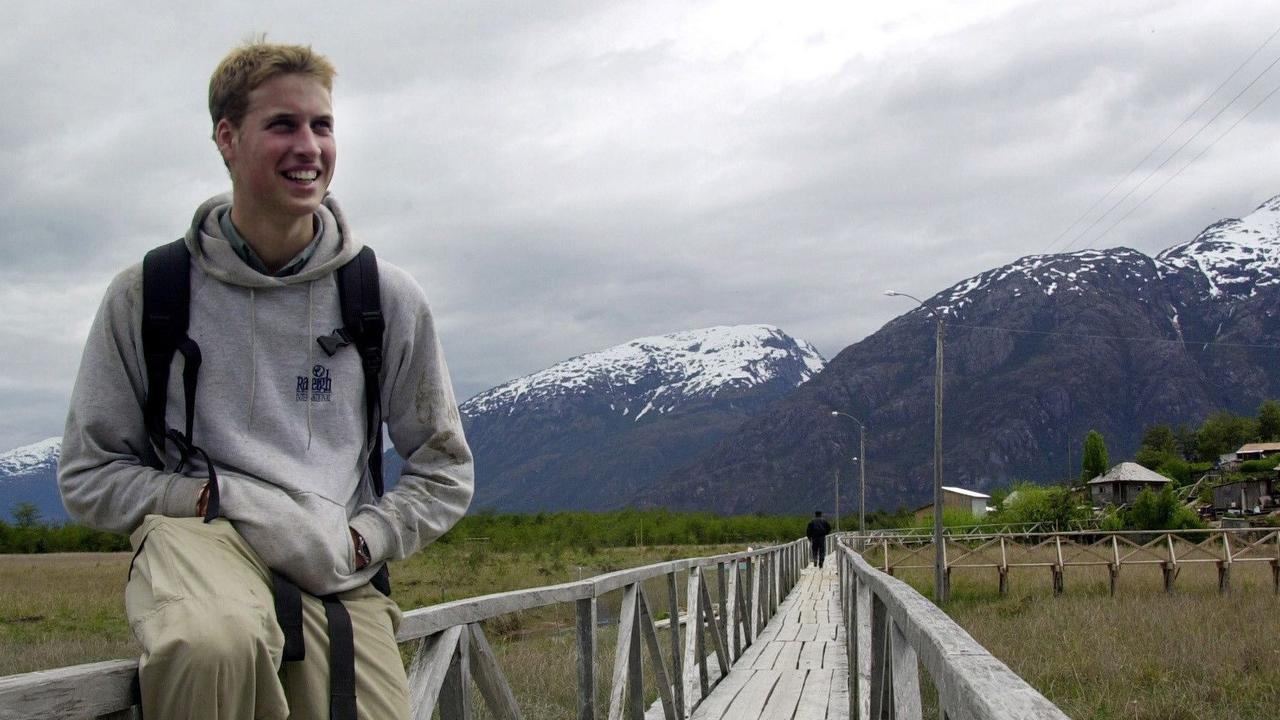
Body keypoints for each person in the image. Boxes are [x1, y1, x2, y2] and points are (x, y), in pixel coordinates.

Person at [58, 40, 474, 720]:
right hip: (200, 539)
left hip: (335, 563)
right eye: (282, 125)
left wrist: (366, 537)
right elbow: (87, 473)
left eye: (322, 125)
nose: (308, 146)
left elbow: (444, 467)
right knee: (209, 646)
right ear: (227, 137)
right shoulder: (150, 293)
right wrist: (200, 499)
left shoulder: (381, 298)